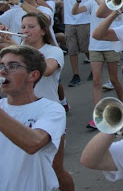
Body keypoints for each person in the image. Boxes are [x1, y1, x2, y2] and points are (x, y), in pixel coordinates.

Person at [17, 13, 73, 191]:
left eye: (31, 27)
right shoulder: (14, 51)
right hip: (19, 113)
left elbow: (46, 70)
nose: (26, 31)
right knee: (24, 169)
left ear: (42, 31)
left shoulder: (53, 51)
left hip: (49, 113)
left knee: (55, 169)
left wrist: (14, 50)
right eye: (23, 27)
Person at [0, 45, 66, 190]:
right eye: (2, 65)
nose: (3, 71)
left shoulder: (52, 109)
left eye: (12, 66)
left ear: (33, 75)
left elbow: (33, 143)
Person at [71, 0, 123, 129]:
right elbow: (74, 12)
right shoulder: (89, 2)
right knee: (96, 81)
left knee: (114, 79)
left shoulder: (115, 2)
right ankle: (98, 116)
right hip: (94, 46)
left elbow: (103, 10)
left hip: (110, 45)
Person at [45, 0, 94, 87]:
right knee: (72, 50)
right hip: (69, 21)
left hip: (83, 19)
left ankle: (94, 69)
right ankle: (76, 75)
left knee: (85, 48)